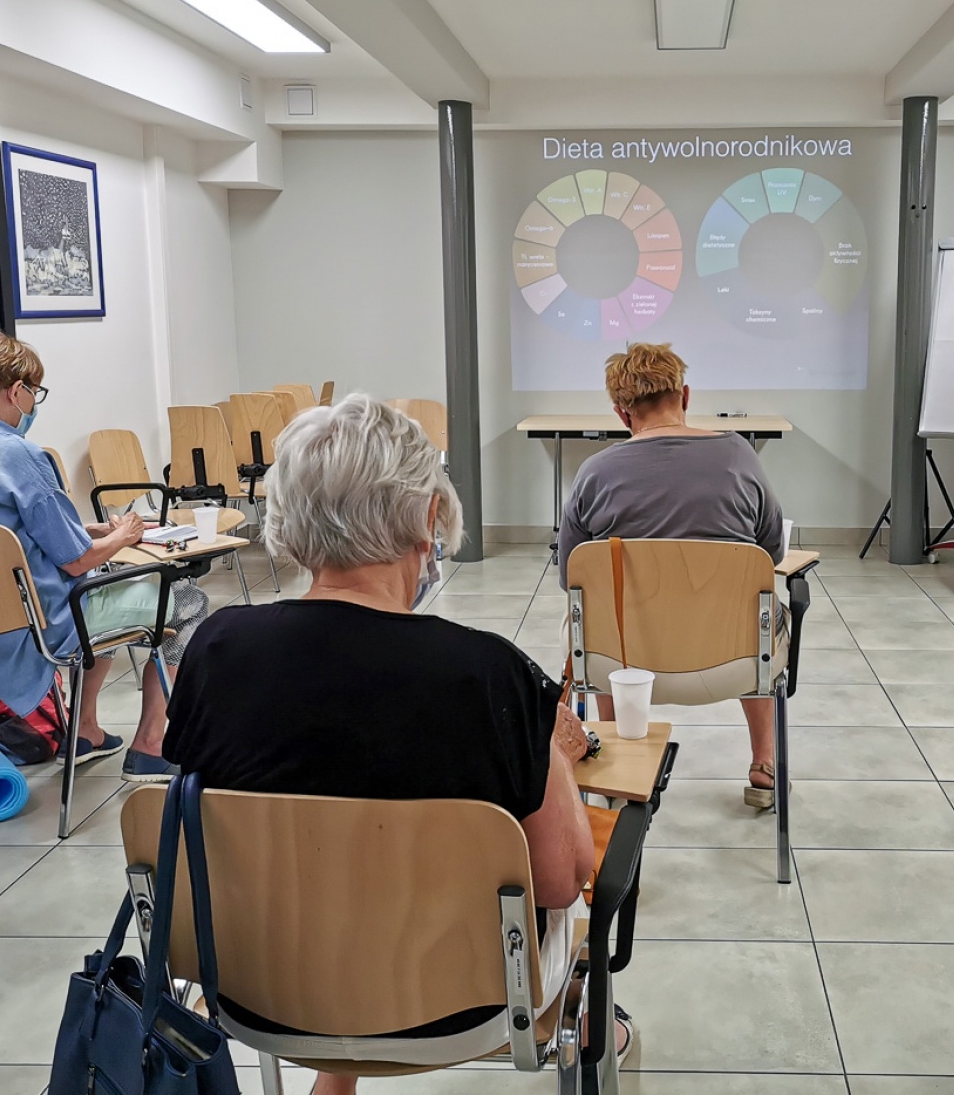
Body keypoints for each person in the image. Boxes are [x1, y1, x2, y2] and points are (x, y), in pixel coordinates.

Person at [162, 395, 629, 1093]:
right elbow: (562, 878)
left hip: (259, 991)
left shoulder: (215, 651)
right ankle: (594, 1026)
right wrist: (555, 752)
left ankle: (336, 1073)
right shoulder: (484, 674)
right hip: (458, 1008)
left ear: (289, 518)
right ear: (425, 516)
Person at [0, 331, 202, 780]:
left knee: (105, 584)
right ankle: (150, 744)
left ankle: (84, 730)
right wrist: (123, 535)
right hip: (45, 623)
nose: (33, 403)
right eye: (34, 392)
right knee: (186, 599)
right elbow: (76, 561)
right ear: (16, 391)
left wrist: (89, 533)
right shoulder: (18, 454)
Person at [558, 342, 786, 809]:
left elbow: (571, 577)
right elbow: (771, 554)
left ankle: (615, 767)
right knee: (756, 609)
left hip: (619, 664)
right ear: (684, 395)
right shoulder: (739, 456)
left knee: (596, 616)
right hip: (734, 664)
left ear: (623, 414)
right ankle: (764, 764)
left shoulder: (594, 473)